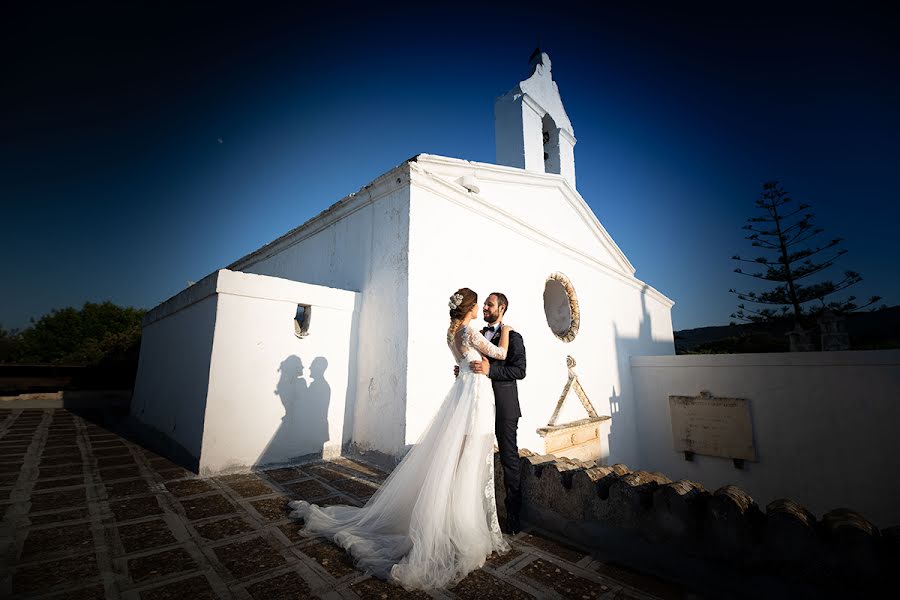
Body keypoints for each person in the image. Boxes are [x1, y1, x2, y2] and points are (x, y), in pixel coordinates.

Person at [289, 288, 512, 590]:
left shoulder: (453, 333)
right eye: (479, 303)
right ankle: (458, 526)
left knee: (460, 458)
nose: (481, 307)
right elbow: (500, 354)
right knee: (469, 459)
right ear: (471, 308)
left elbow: (464, 363)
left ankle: (453, 521)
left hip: (466, 395)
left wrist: (466, 368)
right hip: (474, 398)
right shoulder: (470, 331)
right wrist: (507, 331)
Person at [470, 292, 526, 534]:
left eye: (489, 304)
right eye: (484, 304)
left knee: (508, 459)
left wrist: (489, 370)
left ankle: (513, 517)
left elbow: (519, 370)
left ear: (501, 308)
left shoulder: (514, 337)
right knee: (475, 457)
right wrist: (466, 369)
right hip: (479, 404)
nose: (484, 307)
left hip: (505, 407)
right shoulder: (480, 335)